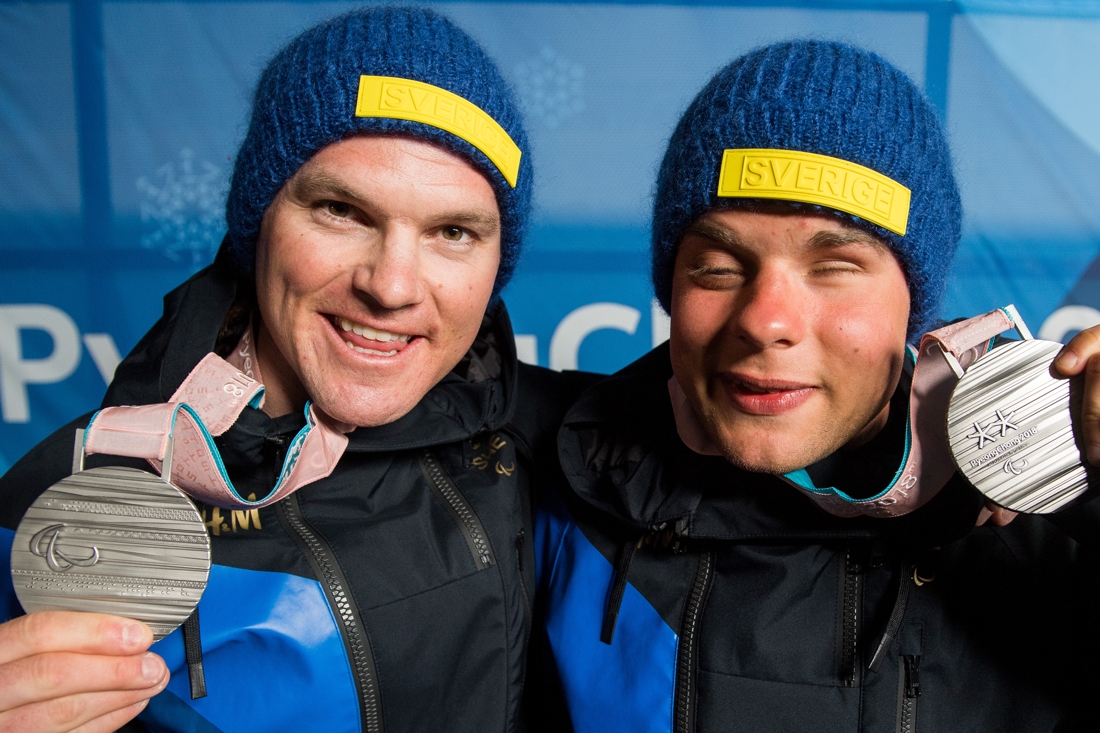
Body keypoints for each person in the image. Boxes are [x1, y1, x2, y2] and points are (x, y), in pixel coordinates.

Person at [0, 7, 582, 732]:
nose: (393, 285)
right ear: (260, 220)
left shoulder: (560, 445)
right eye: (342, 210)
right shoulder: (75, 506)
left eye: (453, 231)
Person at [532, 41, 1100, 732]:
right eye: (716, 267)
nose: (766, 320)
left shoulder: (1054, 533)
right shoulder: (541, 480)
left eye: (834, 266)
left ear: (913, 307)